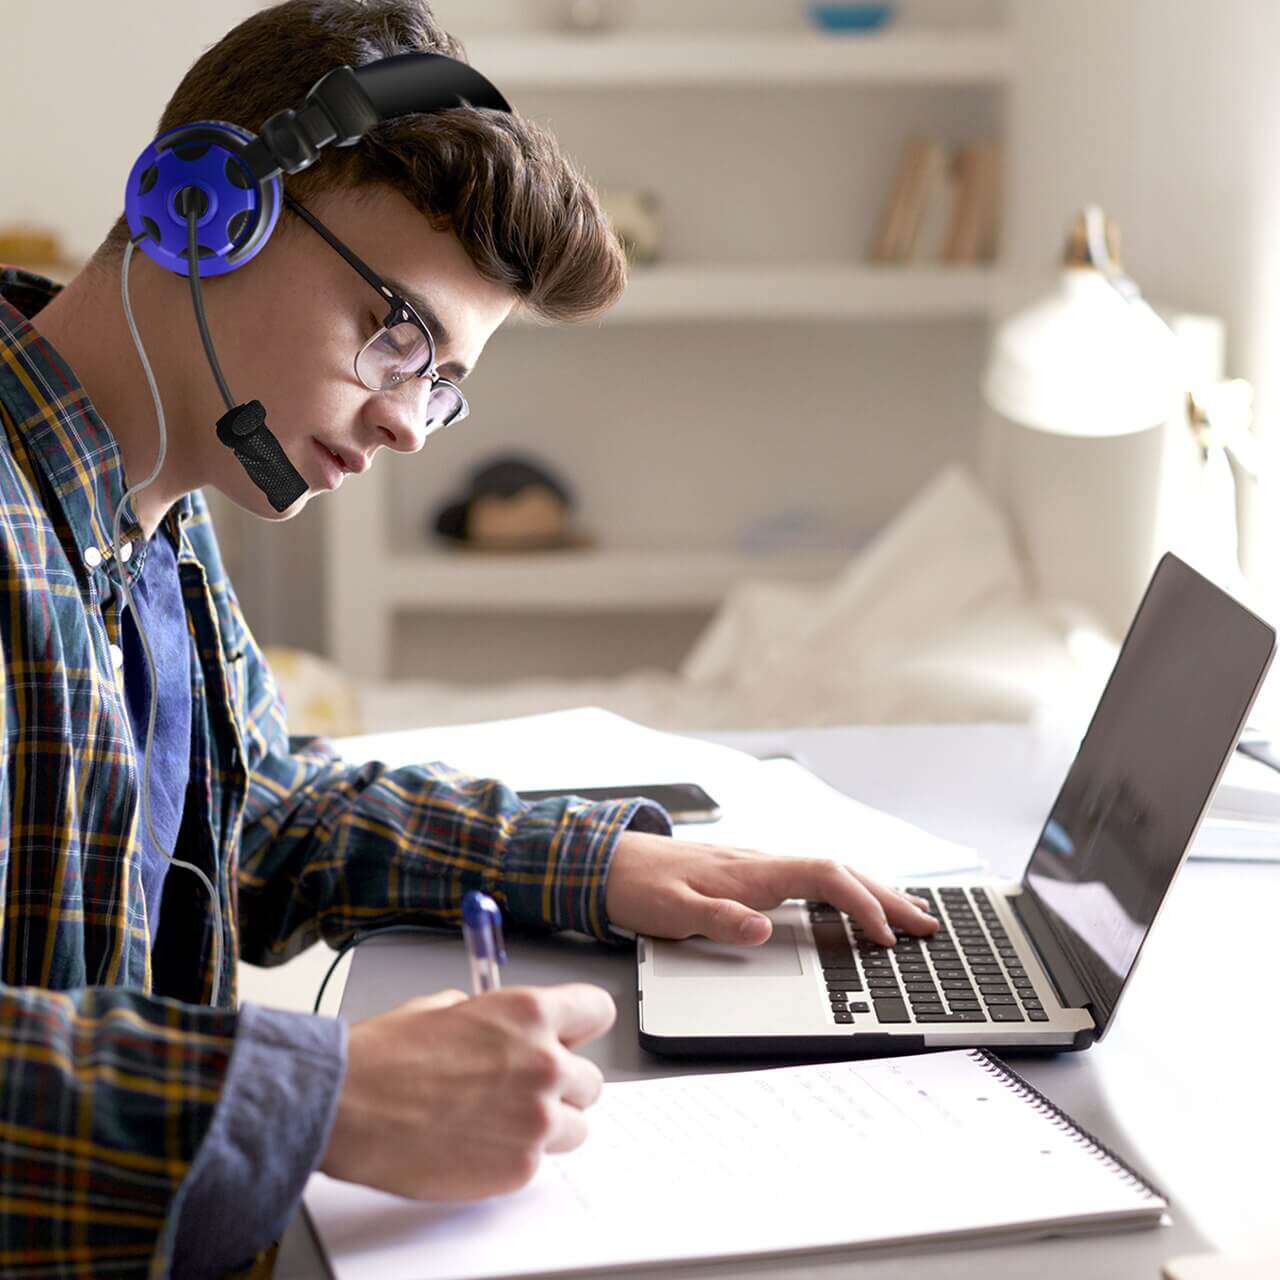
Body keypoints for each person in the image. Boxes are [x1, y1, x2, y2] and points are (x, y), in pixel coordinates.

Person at [0, 1, 939, 1275]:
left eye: (442, 382)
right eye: (396, 333)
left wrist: (598, 865)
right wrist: (316, 1094)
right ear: (199, 206)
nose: (404, 425)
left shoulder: (148, 500)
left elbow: (252, 811)